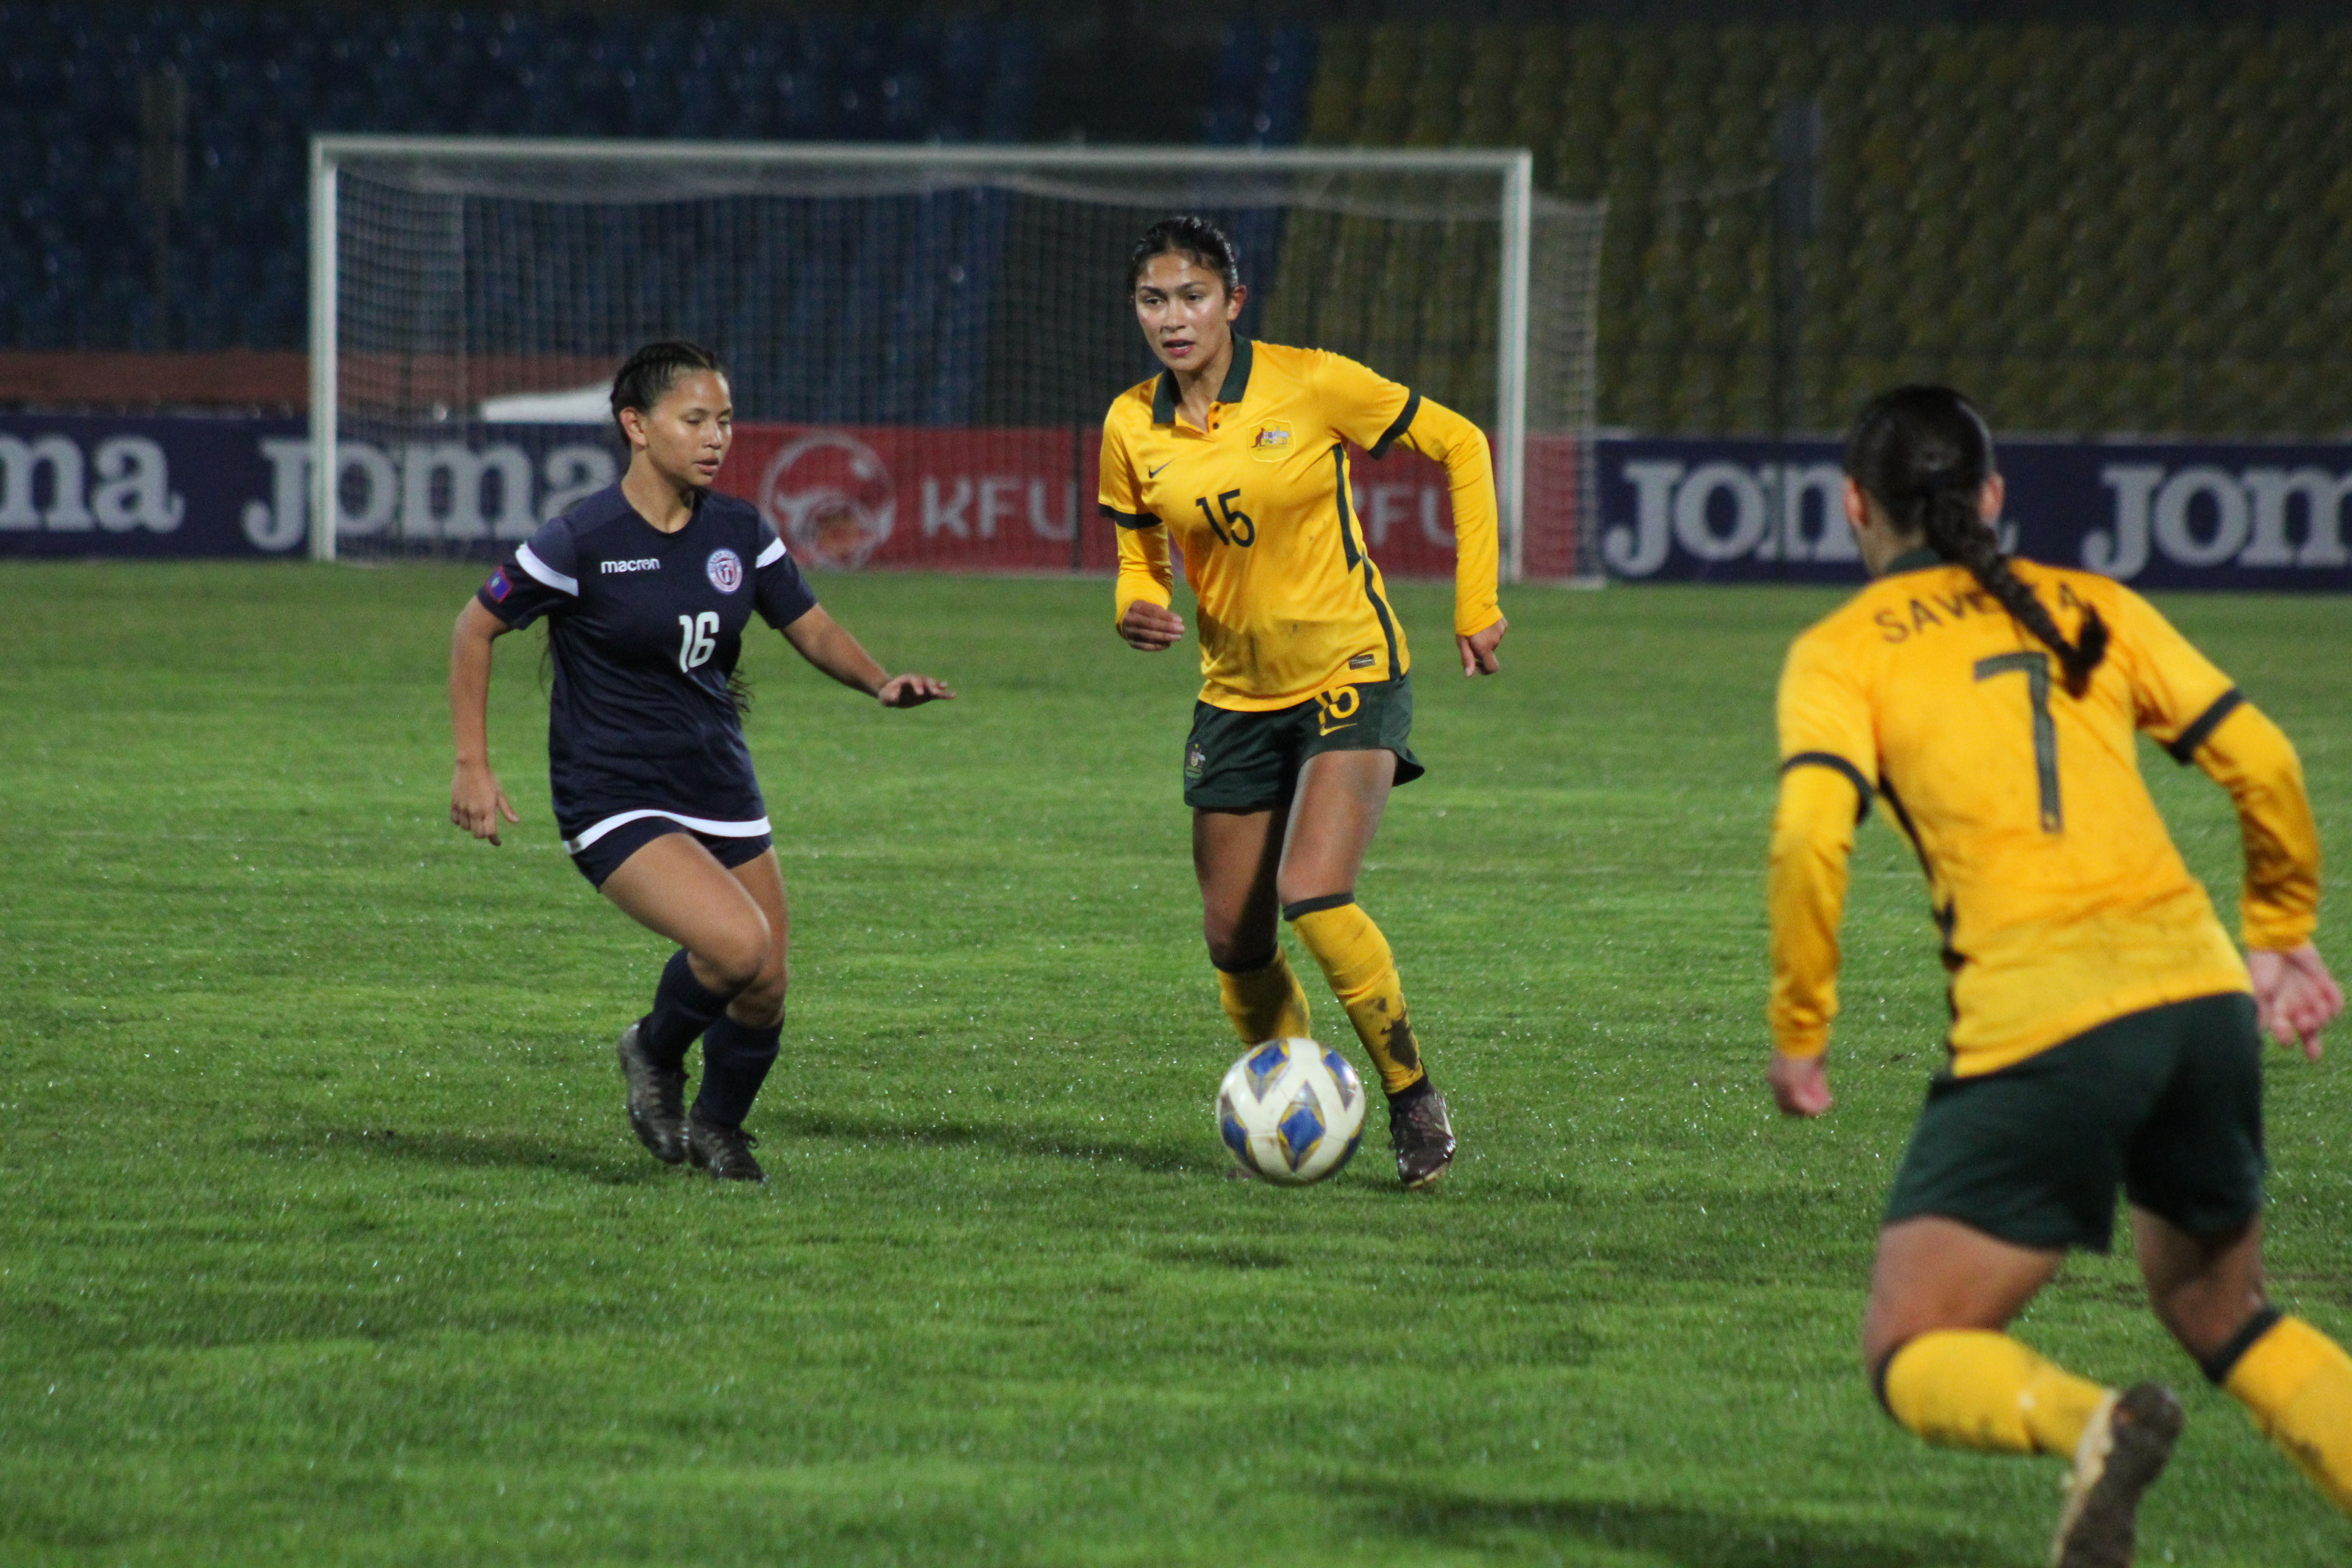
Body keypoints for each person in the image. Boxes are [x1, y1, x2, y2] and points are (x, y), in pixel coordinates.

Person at [1766, 384, 2351, 1563]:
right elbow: (2264, 759)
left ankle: (2093, 1428)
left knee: (1911, 1340)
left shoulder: (1840, 653)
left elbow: (1810, 838)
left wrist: (1802, 1024)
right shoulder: (2091, 604)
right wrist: (2281, 923)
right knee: (2221, 1310)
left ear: (1851, 509)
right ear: (1990, 495)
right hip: (2199, 1003)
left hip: (2045, 1025)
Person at [449, 341, 951, 1183]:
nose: (717, 437)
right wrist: (474, 763)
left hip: (718, 781)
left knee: (766, 983)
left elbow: (810, 623)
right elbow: (476, 626)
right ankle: (652, 1052)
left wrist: (879, 682)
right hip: (612, 791)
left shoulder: (738, 529)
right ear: (636, 428)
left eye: (724, 420)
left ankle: (718, 1128)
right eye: (695, 420)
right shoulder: (584, 538)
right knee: (734, 945)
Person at [1098, 216, 1507, 1190]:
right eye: (1154, 300)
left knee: (1313, 892)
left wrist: (1477, 599)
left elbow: (1461, 442)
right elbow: (1137, 554)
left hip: (1351, 668)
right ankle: (1292, 1107)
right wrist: (1138, 605)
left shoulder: (1312, 382)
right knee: (1234, 939)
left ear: (1233, 304)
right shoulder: (1130, 424)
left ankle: (1413, 1099)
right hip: (1235, 695)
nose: (1173, 317)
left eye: (1192, 297)